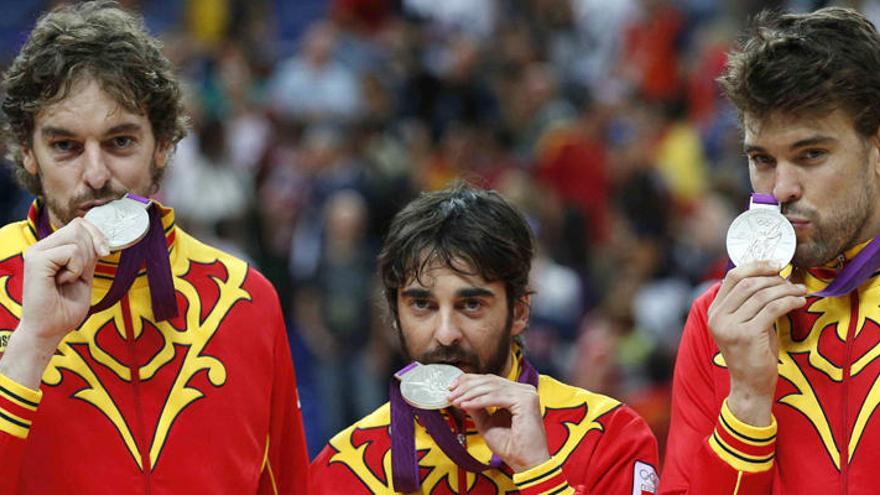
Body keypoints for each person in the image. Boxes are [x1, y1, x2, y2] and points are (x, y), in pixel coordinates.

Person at [0, 2, 308, 493]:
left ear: (162, 143)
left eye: (120, 142)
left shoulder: (247, 299)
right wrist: (31, 345)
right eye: (66, 146)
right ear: (26, 151)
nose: (97, 175)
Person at [310, 182, 660, 494]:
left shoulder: (608, 437)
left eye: (472, 304)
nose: (446, 333)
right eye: (421, 305)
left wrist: (540, 473)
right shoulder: (344, 467)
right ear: (395, 317)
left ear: (520, 311)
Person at [660, 7, 880, 495]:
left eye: (811, 155)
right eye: (761, 160)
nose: (780, 189)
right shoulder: (717, 323)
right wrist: (747, 402)